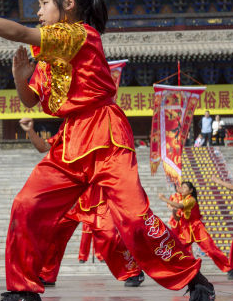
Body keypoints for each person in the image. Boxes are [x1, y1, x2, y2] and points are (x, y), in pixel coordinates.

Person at [0, 0, 212, 301]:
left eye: (44, 3)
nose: (38, 11)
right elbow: (31, 100)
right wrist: (19, 77)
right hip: (70, 138)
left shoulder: (79, 34)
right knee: (27, 204)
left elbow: (20, 32)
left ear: (68, 5)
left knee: (134, 219)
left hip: (105, 133)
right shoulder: (49, 54)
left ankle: (195, 281)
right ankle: (23, 292)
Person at [20, 117, 145, 288]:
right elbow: (43, 147)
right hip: (72, 195)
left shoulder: (104, 124)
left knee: (109, 236)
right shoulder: (68, 128)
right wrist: (30, 130)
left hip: (96, 195)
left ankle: (133, 272)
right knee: (54, 233)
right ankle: (46, 274)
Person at [159, 181, 231, 272]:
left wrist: (164, 199)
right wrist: (174, 211)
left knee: (211, 249)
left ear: (191, 190)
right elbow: (177, 218)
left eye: (185, 187)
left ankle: (230, 267)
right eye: (182, 187)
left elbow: (180, 205)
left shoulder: (191, 199)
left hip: (197, 228)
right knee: (177, 248)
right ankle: (177, 269)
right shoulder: (182, 200)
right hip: (186, 230)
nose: (182, 189)